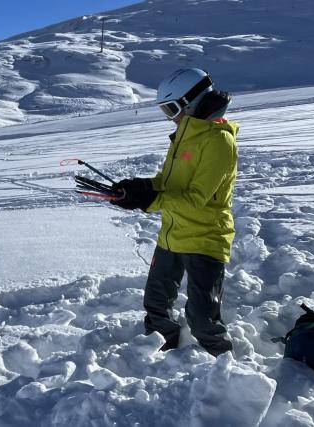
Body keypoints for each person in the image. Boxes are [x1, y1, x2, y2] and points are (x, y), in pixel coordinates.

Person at [110, 68, 238, 357]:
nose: (170, 117)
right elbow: (168, 184)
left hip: (205, 238)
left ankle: (225, 371)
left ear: (192, 102)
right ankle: (159, 353)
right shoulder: (184, 135)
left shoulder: (219, 141)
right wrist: (137, 188)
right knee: (156, 304)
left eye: (171, 108)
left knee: (202, 317)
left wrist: (148, 199)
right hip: (172, 235)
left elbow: (195, 199)